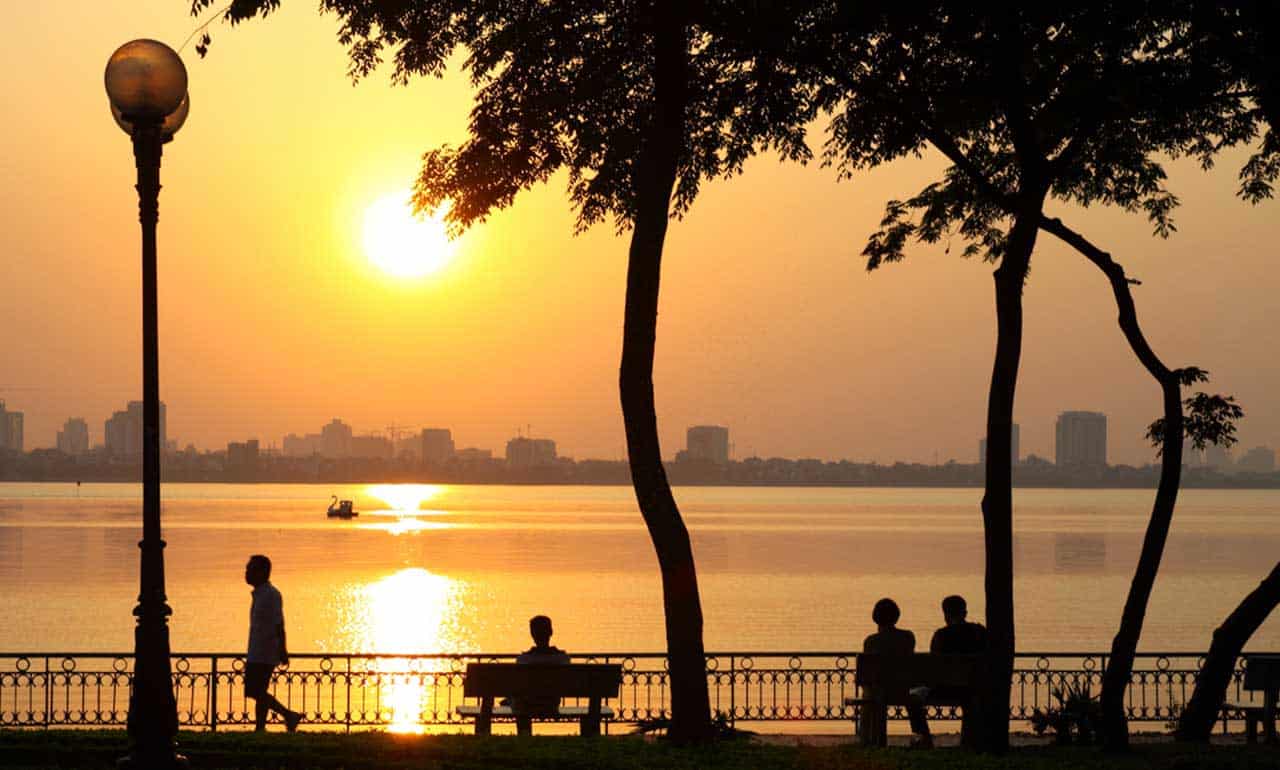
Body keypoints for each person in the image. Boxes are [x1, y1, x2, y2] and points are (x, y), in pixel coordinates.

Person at [243, 554, 302, 732]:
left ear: (261, 572)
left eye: (250, 569)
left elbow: (279, 623)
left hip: (265, 651)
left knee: (254, 691)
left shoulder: (271, 595)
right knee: (260, 691)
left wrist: (283, 650)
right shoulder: (259, 595)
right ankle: (260, 727)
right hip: (257, 650)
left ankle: (288, 715)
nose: (246, 573)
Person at [862, 598, 932, 747]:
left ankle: (870, 739)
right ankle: (923, 740)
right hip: (905, 690)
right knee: (914, 702)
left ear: (875, 617)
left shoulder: (871, 641)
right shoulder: (908, 637)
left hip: (881, 692)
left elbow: (868, 674)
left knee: (869, 695)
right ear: (897, 616)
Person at [510, 615, 570, 735]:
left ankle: (524, 736)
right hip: (551, 704)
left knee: (517, 703)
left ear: (532, 634)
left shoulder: (524, 660)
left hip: (527, 704)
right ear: (551, 632)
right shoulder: (563, 659)